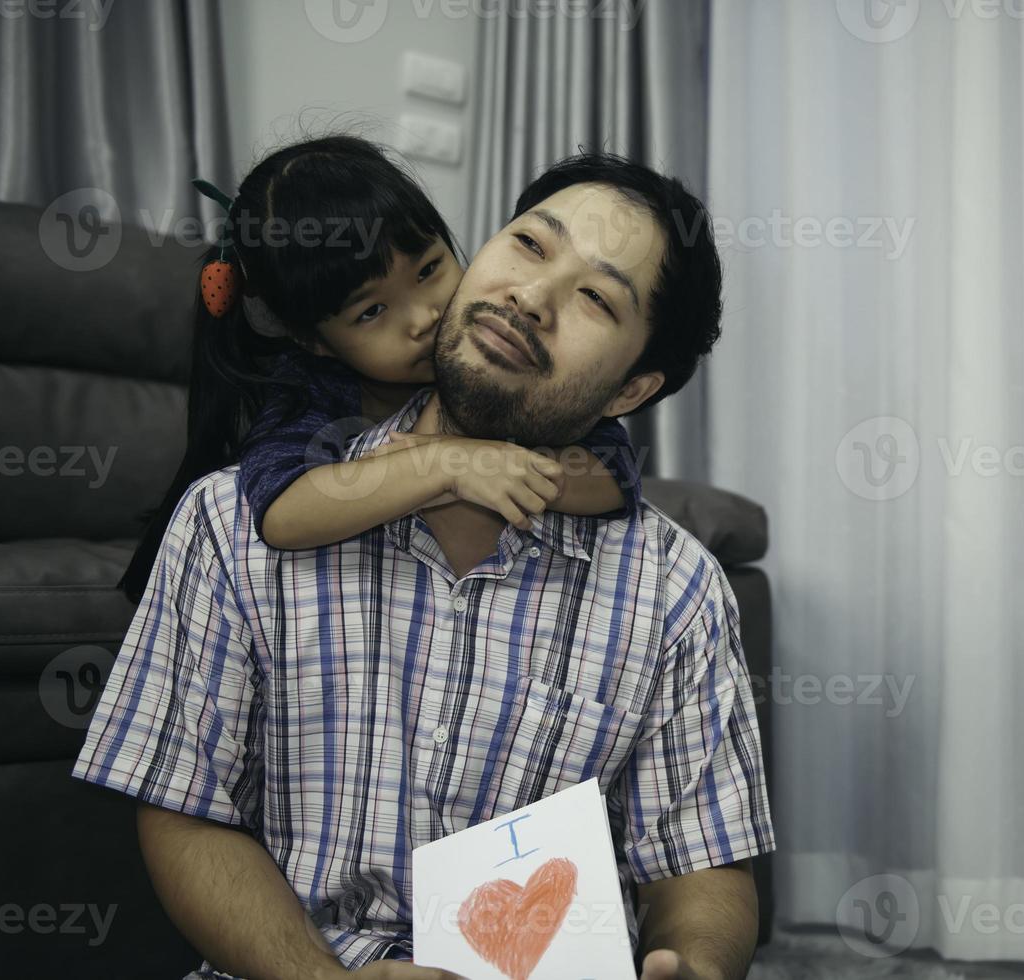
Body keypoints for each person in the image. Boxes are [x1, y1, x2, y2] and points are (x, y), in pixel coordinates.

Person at [75, 151, 774, 980]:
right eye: (529, 245)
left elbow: (701, 862)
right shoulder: (233, 520)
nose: (531, 297)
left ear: (629, 390)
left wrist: (694, 962)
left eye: (594, 296)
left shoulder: (674, 586)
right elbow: (186, 815)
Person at [117, 134, 639, 605]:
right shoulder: (314, 392)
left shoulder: (491, 363)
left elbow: (615, 472)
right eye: (371, 312)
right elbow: (283, 515)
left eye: (430, 269)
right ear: (314, 341)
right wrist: (448, 466)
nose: (425, 317)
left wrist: (503, 469)